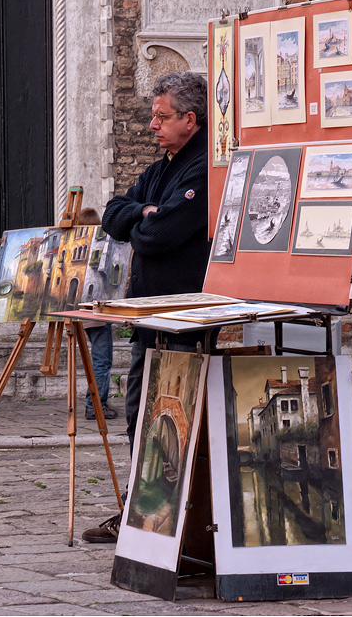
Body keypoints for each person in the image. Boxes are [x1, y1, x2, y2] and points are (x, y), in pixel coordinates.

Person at [82, 71, 215, 543]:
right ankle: (140, 513)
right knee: (141, 414)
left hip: (182, 318)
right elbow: (114, 212)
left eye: (161, 117)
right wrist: (142, 212)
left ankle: (166, 519)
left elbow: (161, 237)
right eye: (153, 117)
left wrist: (143, 223)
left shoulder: (203, 168)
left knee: (173, 419)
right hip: (148, 316)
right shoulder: (163, 167)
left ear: (190, 119)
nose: (153, 126)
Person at [76, 207, 119, 421]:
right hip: (96, 314)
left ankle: (96, 402)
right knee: (102, 360)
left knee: (99, 359)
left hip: (85, 313)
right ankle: (95, 405)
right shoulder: (97, 247)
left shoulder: (79, 247)